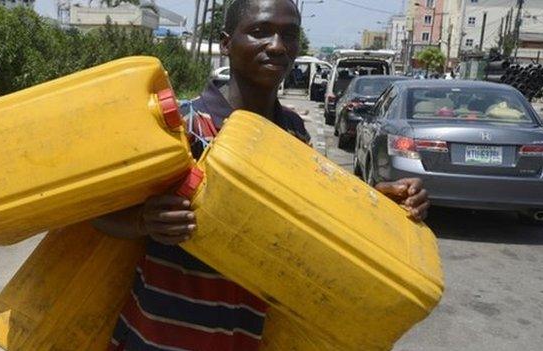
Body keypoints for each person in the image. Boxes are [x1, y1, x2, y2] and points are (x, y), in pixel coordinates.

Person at [94, 1, 430, 350]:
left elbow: (313, 215)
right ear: (226, 42)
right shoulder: (181, 125)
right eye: (260, 31)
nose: (277, 45)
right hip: (161, 338)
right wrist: (144, 222)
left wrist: (379, 203)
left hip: (249, 336)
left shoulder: (294, 132)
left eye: (289, 34)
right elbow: (96, 214)